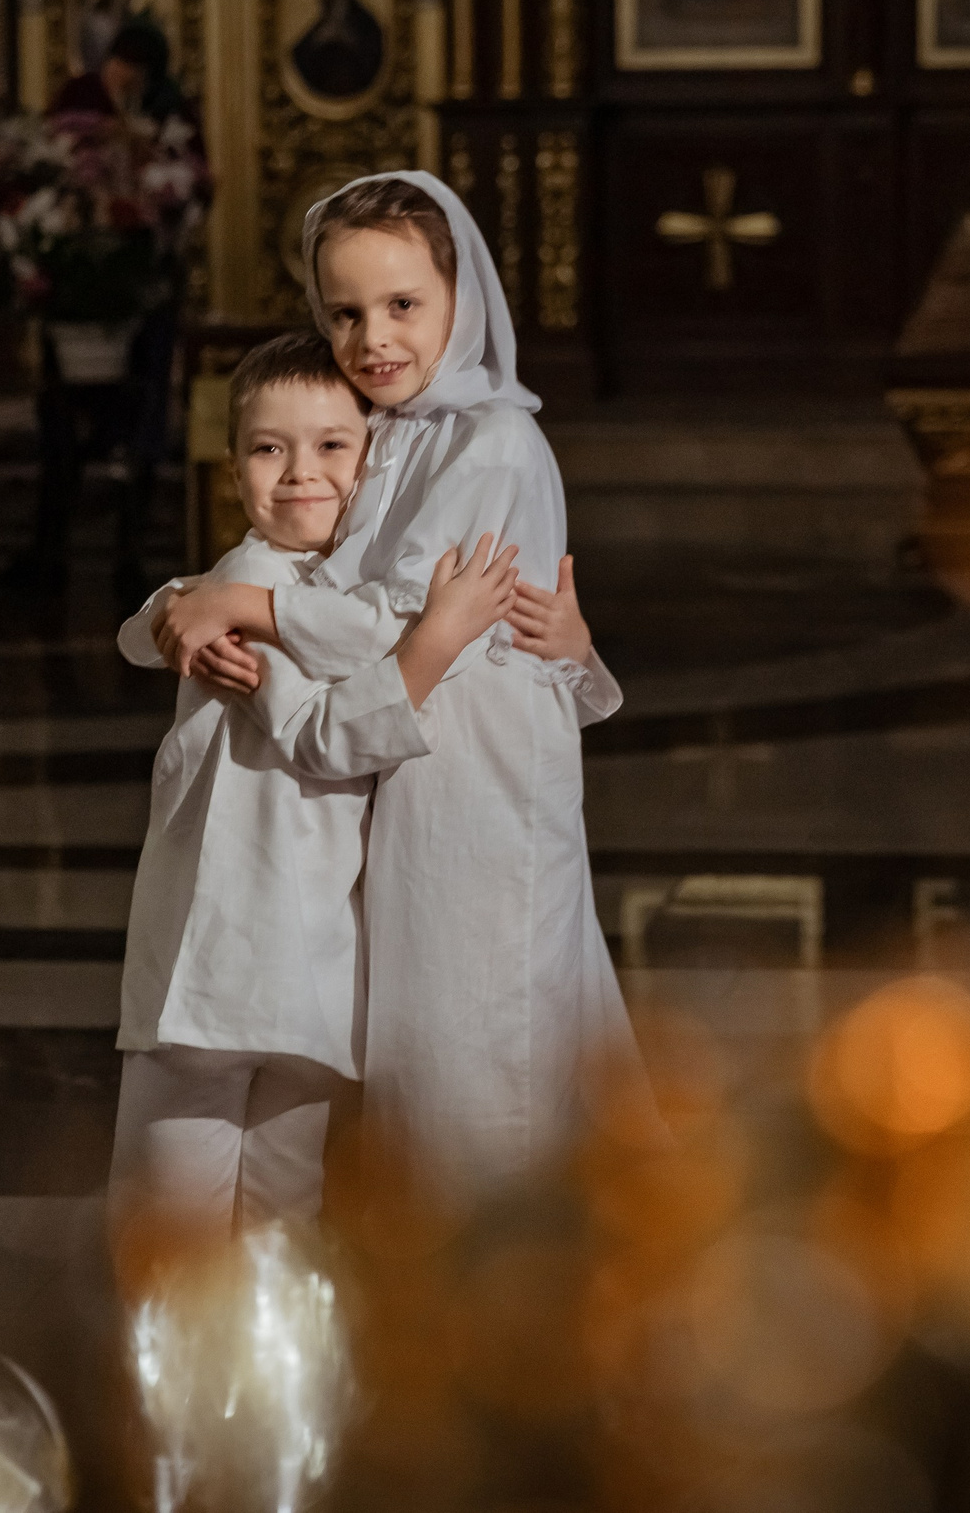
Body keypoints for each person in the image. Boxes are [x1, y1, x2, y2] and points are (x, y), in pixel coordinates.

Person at [145, 173, 647, 1206]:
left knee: (488, 1036)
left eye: (403, 305)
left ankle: (511, 1292)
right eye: (345, 312)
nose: (373, 336)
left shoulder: (494, 439)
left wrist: (242, 606)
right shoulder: (386, 424)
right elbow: (315, 564)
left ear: (463, 294)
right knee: (422, 1048)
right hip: (394, 765)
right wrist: (200, 600)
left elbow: (395, 623)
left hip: (476, 782)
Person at [109, 330, 523, 1234]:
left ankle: (230, 1380)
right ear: (232, 471)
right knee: (208, 1231)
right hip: (231, 958)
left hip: (280, 963)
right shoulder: (252, 581)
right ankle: (209, 1380)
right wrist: (435, 643)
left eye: (333, 446)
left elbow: (158, 616)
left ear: (374, 465)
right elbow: (323, 735)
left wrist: (162, 616)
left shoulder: (335, 588)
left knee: (238, 1229)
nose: (302, 472)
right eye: (269, 448)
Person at [15, 14, 209, 608]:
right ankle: (48, 553)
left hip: (140, 287)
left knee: (143, 415)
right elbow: (45, 171)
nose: (128, 79)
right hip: (72, 289)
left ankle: (131, 549)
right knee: (62, 428)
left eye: (140, 70)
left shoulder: (168, 107)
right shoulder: (77, 100)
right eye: (123, 66)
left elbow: (193, 183)